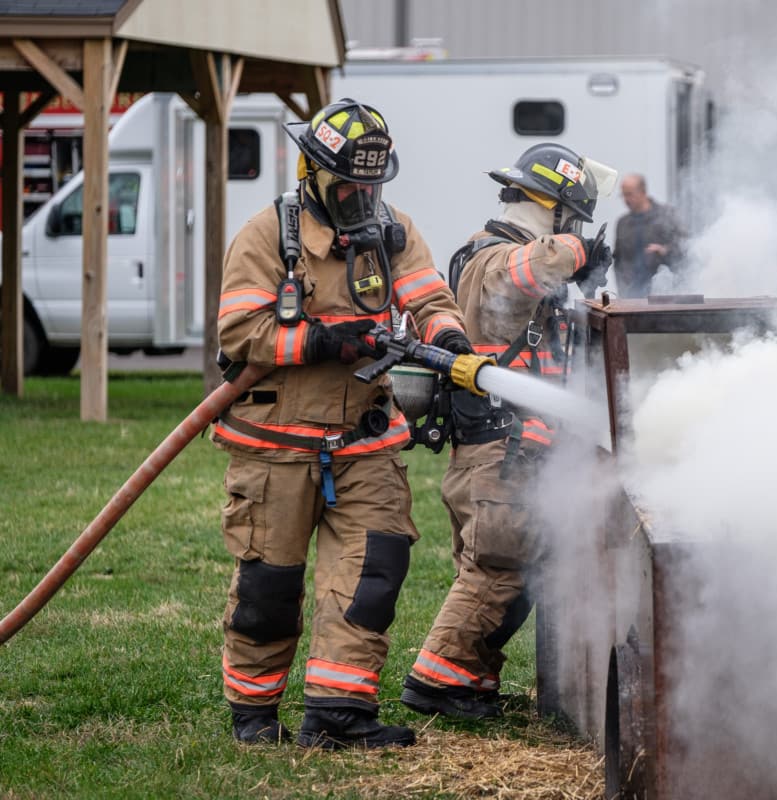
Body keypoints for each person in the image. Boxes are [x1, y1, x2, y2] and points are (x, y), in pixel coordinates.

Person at [213, 98, 471, 749]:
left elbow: (428, 298)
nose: (362, 194)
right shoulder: (268, 235)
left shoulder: (392, 230)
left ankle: (338, 715)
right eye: (349, 182)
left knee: (371, 574)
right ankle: (253, 714)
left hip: (364, 443)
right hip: (276, 448)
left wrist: (454, 345)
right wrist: (324, 341)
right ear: (313, 171)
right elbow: (240, 331)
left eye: (373, 183)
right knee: (267, 590)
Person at [398, 143, 615, 720]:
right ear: (553, 210)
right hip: (502, 448)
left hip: (502, 448)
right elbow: (533, 267)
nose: (575, 236)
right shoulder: (496, 258)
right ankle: (436, 684)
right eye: (572, 222)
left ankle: (470, 683)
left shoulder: (491, 255)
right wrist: (579, 249)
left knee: (503, 570)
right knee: (501, 567)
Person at [612, 173, 685, 298]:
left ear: (643, 192)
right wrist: (622, 291)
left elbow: (685, 246)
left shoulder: (667, 215)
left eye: (629, 194)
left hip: (663, 296)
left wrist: (664, 250)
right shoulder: (622, 223)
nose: (626, 200)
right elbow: (618, 261)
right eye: (623, 195)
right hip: (631, 297)